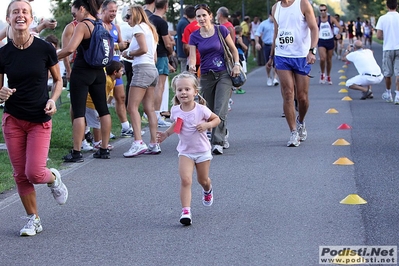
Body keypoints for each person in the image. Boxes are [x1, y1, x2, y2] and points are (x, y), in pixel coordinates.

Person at [0, 0, 68, 236]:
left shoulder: (44, 49)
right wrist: (1, 93)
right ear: (8, 19)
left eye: (24, 12)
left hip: (39, 118)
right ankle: (33, 219)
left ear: (31, 19)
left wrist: (53, 99)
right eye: (15, 12)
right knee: (20, 173)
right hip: (13, 119)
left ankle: (53, 177)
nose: (20, 15)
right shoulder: (3, 53)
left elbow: (58, 80)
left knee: (35, 173)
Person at [156, 72, 220, 226]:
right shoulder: (176, 110)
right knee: (186, 180)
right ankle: (186, 211)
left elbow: (216, 119)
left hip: (202, 151)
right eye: (179, 90)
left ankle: (208, 189)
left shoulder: (201, 109)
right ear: (176, 93)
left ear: (195, 92)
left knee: (202, 180)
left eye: (187, 89)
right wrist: (166, 134)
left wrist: (207, 125)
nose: (183, 93)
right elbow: (177, 125)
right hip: (185, 151)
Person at [57, 0, 112, 161]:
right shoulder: (101, 24)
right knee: (103, 110)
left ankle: (76, 152)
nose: (75, 17)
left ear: (82, 8)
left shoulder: (82, 26)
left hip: (82, 72)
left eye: (75, 14)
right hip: (98, 72)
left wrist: (50, 57)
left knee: (79, 111)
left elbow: (70, 49)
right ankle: (104, 148)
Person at [188, 4, 240, 155]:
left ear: (210, 16)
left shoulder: (221, 30)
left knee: (220, 108)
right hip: (205, 75)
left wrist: (236, 65)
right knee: (208, 110)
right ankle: (223, 132)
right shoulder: (194, 36)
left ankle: (217, 142)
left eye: (204, 15)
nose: (202, 18)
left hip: (223, 73)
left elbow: (233, 49)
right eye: (199, 16)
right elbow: (192, 57)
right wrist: (191, 66)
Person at [268, 0, 318, 147]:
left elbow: (314, 28)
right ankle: (293, 132)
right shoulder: (275, 7)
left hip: (301, 56)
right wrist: (271, 56)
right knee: (288, 93)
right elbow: (276, 33)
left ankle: (301, 121)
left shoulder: (302, 4)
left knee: (302, 97)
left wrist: (312, 51)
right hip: (282, 55)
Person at [121, 5, 160, 157]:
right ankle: (154, 143)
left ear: (136, 15)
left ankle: (138, 142)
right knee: (149, 108)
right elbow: (152, 55)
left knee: (132, 107)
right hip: (151, 69)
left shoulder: (138, 28)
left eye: (128, 16)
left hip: (142, 69)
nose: (126, 19)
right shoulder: (150, 30)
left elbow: (142, 49)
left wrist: (128, 52)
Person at [101, 0, 132, 137]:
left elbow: (120, 44)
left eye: (115, 11)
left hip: (116, 66)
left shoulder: (116, 27)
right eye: (111, 10)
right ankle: (102, 131)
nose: (113, 13)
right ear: (104, 10)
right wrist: (118, 46)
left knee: (120, 96)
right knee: (101, 98)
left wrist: (125, 44)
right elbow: (102, 45)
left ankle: (125, 127)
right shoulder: (99, 26)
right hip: (103, 68)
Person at [87, 61, 124, 151]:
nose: (123, 73)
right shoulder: (106, 80)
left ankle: (98, 141)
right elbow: (100, 94)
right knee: (97, 123)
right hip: (91, 103)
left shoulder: (113, 81)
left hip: (96, 103)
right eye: (121, 71)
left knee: (97, 122)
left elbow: (108, 95)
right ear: (115, 72)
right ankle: (97, 142)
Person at [148, 0, 174, 128]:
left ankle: (150, 113)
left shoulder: (149, 19)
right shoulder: (161, 22)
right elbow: (167, 43)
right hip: (161, 55)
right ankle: (157, 115)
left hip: (150, 55)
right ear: (166, 6)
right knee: (160, 86)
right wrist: (171, 52)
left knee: (151, 86)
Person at [376, 0, 399, 104]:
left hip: (388, 48)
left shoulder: (382, 18)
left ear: (387, 6)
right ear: (397, 6)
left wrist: (387, 36)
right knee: (398, 73)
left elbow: (379, 36)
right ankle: (398, 95)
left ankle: (388, 93)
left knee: (387, 73)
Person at [316, 4, 342, 85]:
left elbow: (340, 27)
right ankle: (322, 74)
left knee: (329, 60)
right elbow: (312, 28)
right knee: (322, 58)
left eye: (324, 10)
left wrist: (339, 34)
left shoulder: (331, 19)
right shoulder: (317, 19)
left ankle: (328, 76)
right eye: (321, 10)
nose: (323, 12)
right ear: (319, 11)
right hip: (321, 40)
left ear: (326, 11)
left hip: (330, 40)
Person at [255, 11, 279, 87]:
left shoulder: (278, 23)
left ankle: (275, 78)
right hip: (267, 45)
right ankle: (269, 76)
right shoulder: (264, 24)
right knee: (268, 63)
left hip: (277, 45)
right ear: (270, 15)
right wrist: (257, 43)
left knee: (276, 62)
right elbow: (257, 34)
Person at [176, 5, 195, 72]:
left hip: (182, 53)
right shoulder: (185, 24)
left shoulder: (182, 21)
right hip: (185, 55)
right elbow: (186, 41)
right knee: (186, 75)